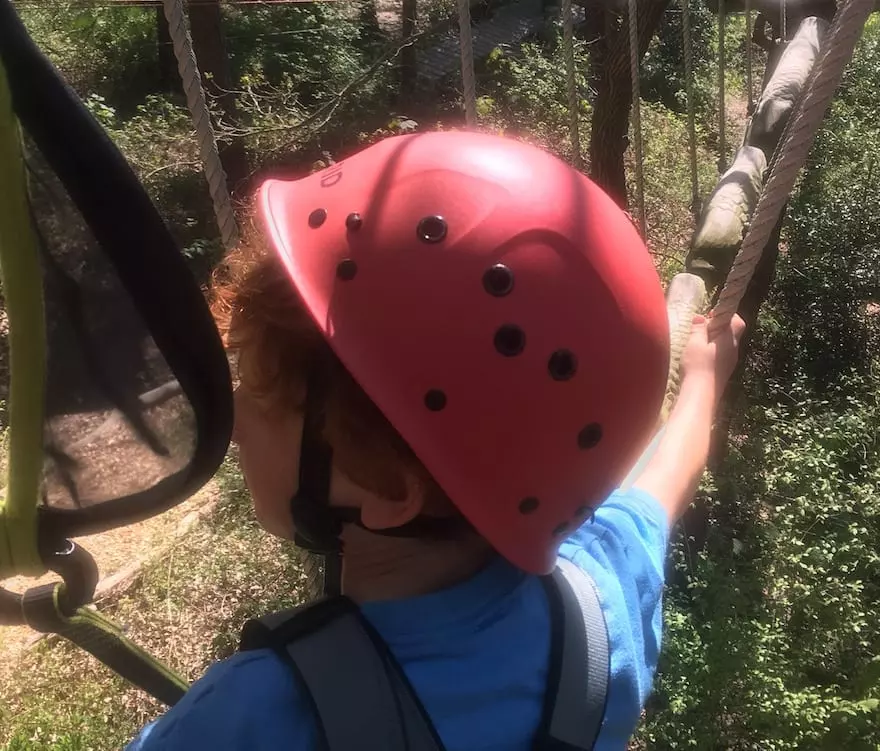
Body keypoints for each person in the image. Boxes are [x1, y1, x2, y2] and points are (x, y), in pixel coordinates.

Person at [127, 130, 745, 751]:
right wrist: (704, 379)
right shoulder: (601, 606)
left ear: (390, 488)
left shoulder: (253, 717)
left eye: (261, 394)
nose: (236, 410)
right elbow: (666, 478)